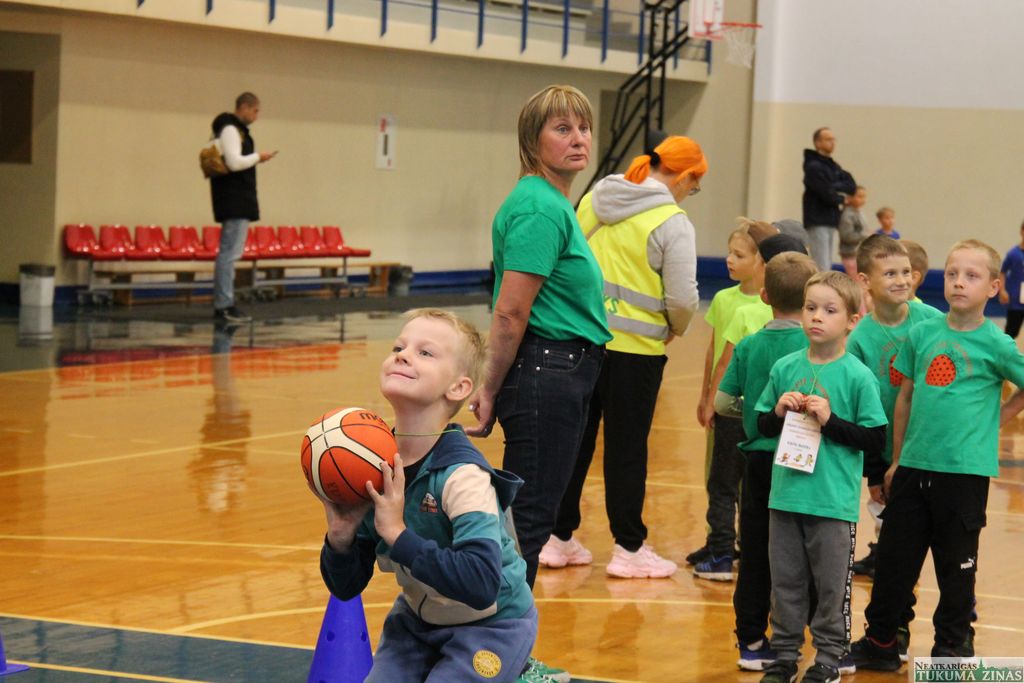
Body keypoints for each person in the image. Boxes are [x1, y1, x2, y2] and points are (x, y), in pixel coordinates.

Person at [468, 84, 610, 683]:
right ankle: (501, 661)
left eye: (583, 128)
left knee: (529, 520)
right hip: (545, 372)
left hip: (560, 371)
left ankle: (501, 656)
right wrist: (488, 387)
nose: (578, 139)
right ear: (532, 141)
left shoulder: (551, 203)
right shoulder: (539, 208)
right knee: (526, 527)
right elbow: (510, 312)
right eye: (562, 129)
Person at [318, 309, 537, 683]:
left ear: (459, 388)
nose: (403, 355)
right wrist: (340, 541)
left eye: (425, 352)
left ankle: (523, 671)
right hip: (416, 623)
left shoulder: (464, 476)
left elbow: (481, 584)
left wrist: (397, 534)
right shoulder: (374, 467)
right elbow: (346, 586)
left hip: (493, 624)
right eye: (398, 347)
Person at [851, 241, 1024, 671]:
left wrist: (994, 421)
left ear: (993, 287)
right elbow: (905, 397)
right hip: (912, 468)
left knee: (956, 569)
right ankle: (881, 641)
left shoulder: (997, 344)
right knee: (894, 562)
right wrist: (896, 460)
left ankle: (951, 647)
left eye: (971, 276)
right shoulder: (922, 333)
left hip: (963, 475)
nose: (959, 282)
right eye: (951, 274)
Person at [540, 136, 706, 578]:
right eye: (694, 186)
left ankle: (557, 537)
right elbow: (683, 298)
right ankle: (629, 547)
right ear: (686, 177)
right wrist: (674, 328)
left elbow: (568, 263)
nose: (690, 193)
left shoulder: (594, 199)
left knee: (575, 443)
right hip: (636, 353)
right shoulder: (672, 221)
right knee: (627, 450)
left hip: (581, 340)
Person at [754, 271, 887, 683]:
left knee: (831, 587)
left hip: (831, 503)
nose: (816, 317)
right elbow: (761, 426)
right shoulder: (785, 367)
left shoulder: (858, 376)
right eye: (811, 307)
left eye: (829, 310)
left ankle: (829, 657)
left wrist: (831, 421)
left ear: (851, 321)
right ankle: (784, 655)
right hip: (786, 497)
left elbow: (874, 438)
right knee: (785, 583)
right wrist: (778, 412)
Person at [714, 251, 819, 671]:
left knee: (755, 550)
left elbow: (722, 403)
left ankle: (750, 640)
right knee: (807, 549)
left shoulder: (750, 344)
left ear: (764, 295)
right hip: (803, 462)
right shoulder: (815, 348)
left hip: (758, 460)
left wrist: (754, 416)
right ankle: (805, 635)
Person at [847, 235, 942, 589]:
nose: (902, 280)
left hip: (931, 449)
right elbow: (862, 411)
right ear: (865, 281)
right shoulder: (860, 339)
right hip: (889, 457)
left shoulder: (932, 320)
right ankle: (892, 598)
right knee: (893, 534)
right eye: (890, 274)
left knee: (934, 531)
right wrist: (874, 472)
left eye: (906, 272)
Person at [689, 226, 767, 577]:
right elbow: (714, 350)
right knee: (717, 474)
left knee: (727, 482)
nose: (729, 259)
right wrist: (705, 395)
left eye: (739, 254)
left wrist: (716, 399)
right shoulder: (723, 299)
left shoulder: (764, 309)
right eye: (729, 252)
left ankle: (724, 549)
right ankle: (717, 540)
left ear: (761, 261)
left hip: (736, 406)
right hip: (723, 402)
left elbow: (727, 362)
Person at [209, 92, 277, 323]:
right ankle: (224, 305)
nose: (256, 115)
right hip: (234, 199)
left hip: (234, 199)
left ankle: (225, 303)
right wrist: (258, 157)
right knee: (229, 254)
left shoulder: (233, 129)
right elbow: (234, 162)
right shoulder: (230, 128)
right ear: (245, 107)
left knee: (229, 253)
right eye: (255, 110)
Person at [802, 127, 856, 271]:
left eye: (833, 139)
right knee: (821, 265)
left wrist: (832, 185)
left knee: (827, 263)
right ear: (818, 143)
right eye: (828, 139)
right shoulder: (813, 166)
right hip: (817, 220)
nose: (832, 142)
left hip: (831, 220)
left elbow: (851, 185)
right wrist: (842, 199)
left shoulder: (833, 166)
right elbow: (825, 192)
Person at [998, 220, 1024, 338]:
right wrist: (1002, 290)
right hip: (1016, 300)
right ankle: (1004, 349)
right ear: (1021, 232)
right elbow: (1002, 272)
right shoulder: (1013, 254)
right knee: (1012, 331)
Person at [838, 186, 868, 276]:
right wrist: (865, 235)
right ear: (850, 198)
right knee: (855, 279)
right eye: (860, 196)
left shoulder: (859, 212)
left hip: (858, 252)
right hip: (850, 253)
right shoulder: (847, 214)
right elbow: (847, 236)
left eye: (864, 197)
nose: (863, 199)